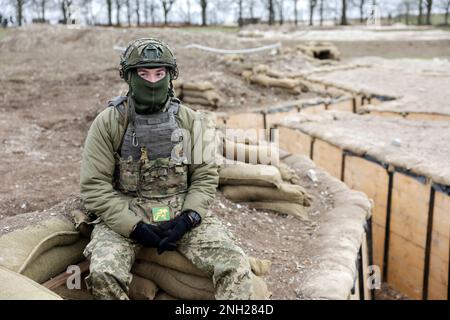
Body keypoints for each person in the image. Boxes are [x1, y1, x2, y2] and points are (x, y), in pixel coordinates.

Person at [80, 38, 254, 300]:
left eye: (159, 73)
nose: (152, 81)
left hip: (180, 208)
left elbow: (205, 176)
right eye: (143, 73)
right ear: (129, 76)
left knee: (236, 264)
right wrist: (135, 227)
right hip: (127, 212)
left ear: (170, 76)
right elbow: (94, 186)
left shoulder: (190, 119)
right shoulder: (109, 122)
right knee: (104, 272)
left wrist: (189, 218)